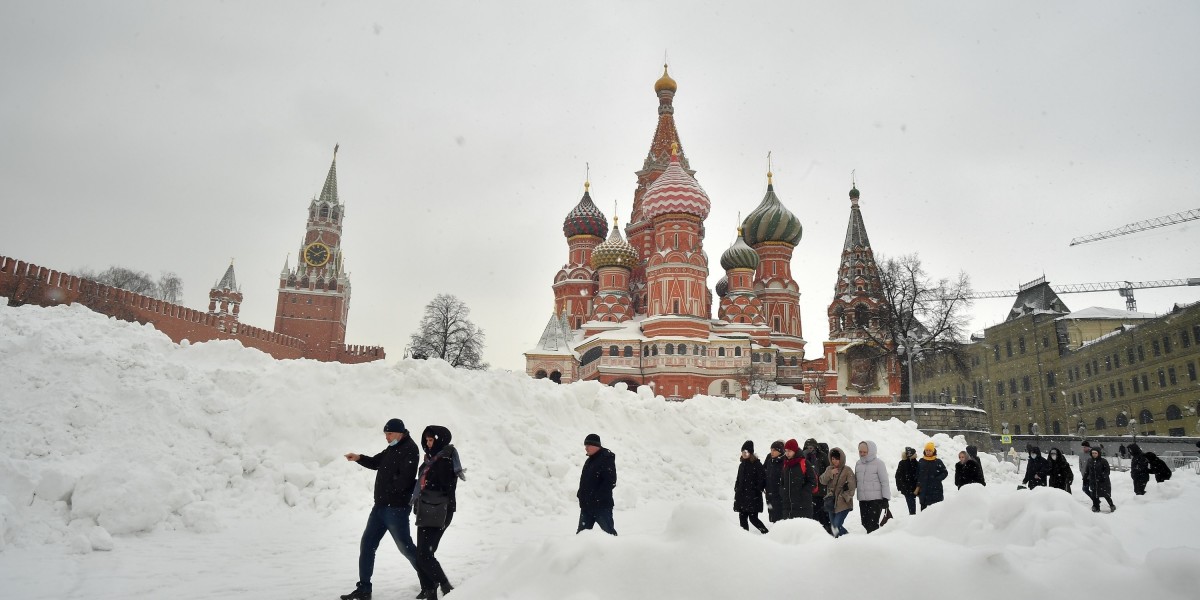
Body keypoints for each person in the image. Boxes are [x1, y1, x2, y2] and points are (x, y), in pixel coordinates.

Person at [341, 418, 421, 600]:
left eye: (389, 434)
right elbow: (377, 462)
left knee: (406, 548)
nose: (387, 437)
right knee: (367, 545)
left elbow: (405, 480)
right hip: (380, 508)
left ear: (400, 433)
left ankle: (429, 580)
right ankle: (364, 589)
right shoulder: (392, 447)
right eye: (385, 434)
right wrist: (359, 458)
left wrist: (388, 489)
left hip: (396, 509)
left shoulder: (410, 449)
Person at [412, 425, 460, 600]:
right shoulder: (432, 458)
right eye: (426, 440)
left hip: (440, 510)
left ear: (440, 441)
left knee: (425, 555)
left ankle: (446, 587)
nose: (428, 443)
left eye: (431, 440)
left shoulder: (445, 459)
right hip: (427, 509)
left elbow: (446, 485)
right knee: (422, 555)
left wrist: (436, 462)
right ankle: (430, 591)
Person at [577, 433, 618, 535]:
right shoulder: (589, 461)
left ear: (595, 445)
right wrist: (580, 494)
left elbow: (610, 481)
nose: (586, 448)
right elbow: (584, 481)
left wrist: (597, 498)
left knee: (609, 535)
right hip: (586, 507)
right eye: (585, 446)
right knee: (581, 536)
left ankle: (618, 546)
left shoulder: (606, 458)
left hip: (601, 507)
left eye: (588, 445)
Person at [818, 447, 856, 537]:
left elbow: (852, 486)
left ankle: (849, 538)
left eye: (837, 459)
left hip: (843, 503)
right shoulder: (829, 469)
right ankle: (842, 541)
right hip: (831, 502)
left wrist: (844, 496)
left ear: (841, 459)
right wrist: (830, 473)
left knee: (836, 526)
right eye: (833, 459)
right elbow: (822, 480)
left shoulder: (847, 470)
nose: (834, 461)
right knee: (833, 527)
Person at [854, 440, 891, 533]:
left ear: (871, 451)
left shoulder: (879, 463)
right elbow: (857, 480)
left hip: (875, 500)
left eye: (865, 452)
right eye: (860, 452)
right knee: (864, 524)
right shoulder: (858, 463)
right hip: (862, 500)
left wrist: (886, 498)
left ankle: (874, 541)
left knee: (872, 525)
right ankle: (870, 541)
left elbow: (884, 482)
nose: (862, 454)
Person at [733, 440, 769, 534]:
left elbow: (762, 479)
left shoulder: (757, 464)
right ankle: (745, 537)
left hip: (753, 498)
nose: (744, 454)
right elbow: (738, 479)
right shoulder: (741, 465)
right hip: (742, 497)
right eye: (742, 452)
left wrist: (756, 489)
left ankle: (766, 533)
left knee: (753, 519)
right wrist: (737, 488)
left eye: (746, 452)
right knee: (742, 518)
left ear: (751, 453)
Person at [780, 439, 816, 520]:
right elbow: (782, 482)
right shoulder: (786, 464)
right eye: (786, 451)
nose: (787, 453)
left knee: (802, 527)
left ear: (795, 451)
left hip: (803, 506)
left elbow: (813, 482)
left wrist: (803, 493)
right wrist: (783, 492)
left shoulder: (804, 463)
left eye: (789, 451)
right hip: (788, 506)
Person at [804, 438, 831, 534]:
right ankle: (816, 532)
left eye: (811, 447)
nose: (810, 449)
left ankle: (827, 531)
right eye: (808, 447)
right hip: (809, 490)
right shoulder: (803, 456)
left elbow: (828, 469)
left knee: (822, 513)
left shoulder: (822, 456)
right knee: (812, 514)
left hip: (821, 490)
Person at [915, 442, 948, 509]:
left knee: (936, 509)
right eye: (926, 450)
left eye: (930, 450)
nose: (928, 452)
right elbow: (917, 473)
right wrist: (918, 484)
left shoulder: (938, 461)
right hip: (924, 489)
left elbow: (945, 472)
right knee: (923, 510)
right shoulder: (921, 461)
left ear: (933, 451)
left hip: (935, 489)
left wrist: (937, 479)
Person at [1084, 447, 1116, 513]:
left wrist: (1102, 477)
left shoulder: (1103, 461)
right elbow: (1087, 470)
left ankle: (1111, 505)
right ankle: (1096, 506)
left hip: (1103, 482)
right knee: (1094, 494)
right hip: (1093, 481)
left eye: (1095, 453)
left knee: (1105, 494)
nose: (1094, 454)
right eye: (1093, 453)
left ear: (1099, 453)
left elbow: (1107, 471)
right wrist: (1085, 478)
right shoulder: (1090, 461)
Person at [763, 440, 786, 523]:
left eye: (774, 450)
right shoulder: (770, 461)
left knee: (779, 517)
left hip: (779, 495)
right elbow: (764, 473)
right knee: (772, 514)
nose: (772, 452)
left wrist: (781, 490)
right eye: (771, 450)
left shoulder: (784, 462)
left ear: (780, 451)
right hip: (769, 493)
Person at [894, 447, 920, 515]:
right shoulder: (902, 463)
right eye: (914, 453)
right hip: (907, 489)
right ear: (911, 455)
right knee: (911, 507)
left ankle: (921, 518)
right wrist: (901, 487)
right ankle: (912, 518)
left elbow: (919, 475)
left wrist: (918, 486)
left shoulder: (917, 463)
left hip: (916, 488)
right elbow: (898, 476)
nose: (916, 454)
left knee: (923, 505)